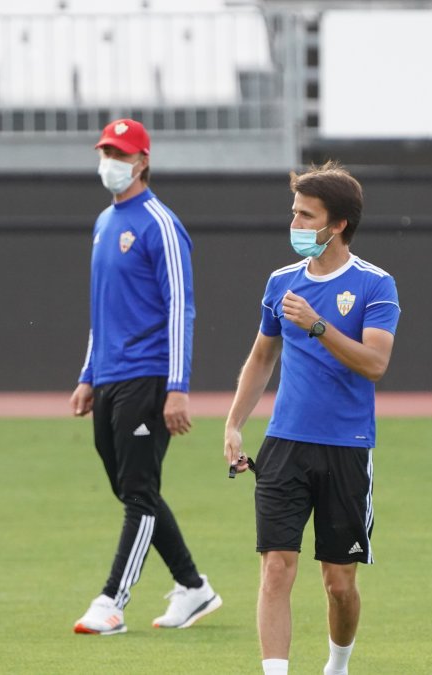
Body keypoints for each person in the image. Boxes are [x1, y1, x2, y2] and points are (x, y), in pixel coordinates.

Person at [224, 161, 400, 675]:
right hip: (284, 445)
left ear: (338, 223)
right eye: (294, 213)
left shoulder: (375, 285)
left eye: (307, 215)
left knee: (339, 584)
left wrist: (318, 325)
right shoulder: (280, 282)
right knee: (276, 569)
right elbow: (262, 358)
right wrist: (234, 424)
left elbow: (375, 363)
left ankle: (337, 666)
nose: (296, 224)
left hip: (346, 446)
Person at [70, 118, 222, 636]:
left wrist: (177, 386)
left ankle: (112, 601)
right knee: (132, 487)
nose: (109, 161)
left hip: (149, 375)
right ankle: (193, 587)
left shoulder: (159, 222)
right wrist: (88, 374)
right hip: (111, 376)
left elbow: (182, 307)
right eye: (105, 151)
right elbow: (102, 309)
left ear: (142, 161)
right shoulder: (102, 223)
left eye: (120, 153)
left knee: (137, 490)